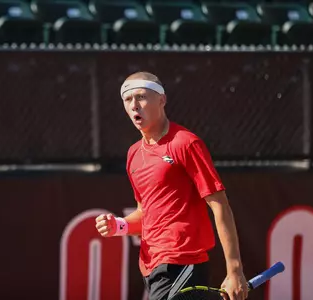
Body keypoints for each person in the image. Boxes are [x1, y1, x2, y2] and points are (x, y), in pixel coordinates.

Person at [94, 72, 248, 300]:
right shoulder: (133, 154)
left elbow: (219, 205)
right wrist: (119, 226)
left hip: (181, 262)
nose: (135, 105)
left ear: (161, 100)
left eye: (141, 97)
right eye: (128, 100)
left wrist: (234, 271)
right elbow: (145, 214)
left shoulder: (185, 143)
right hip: (151, 268)